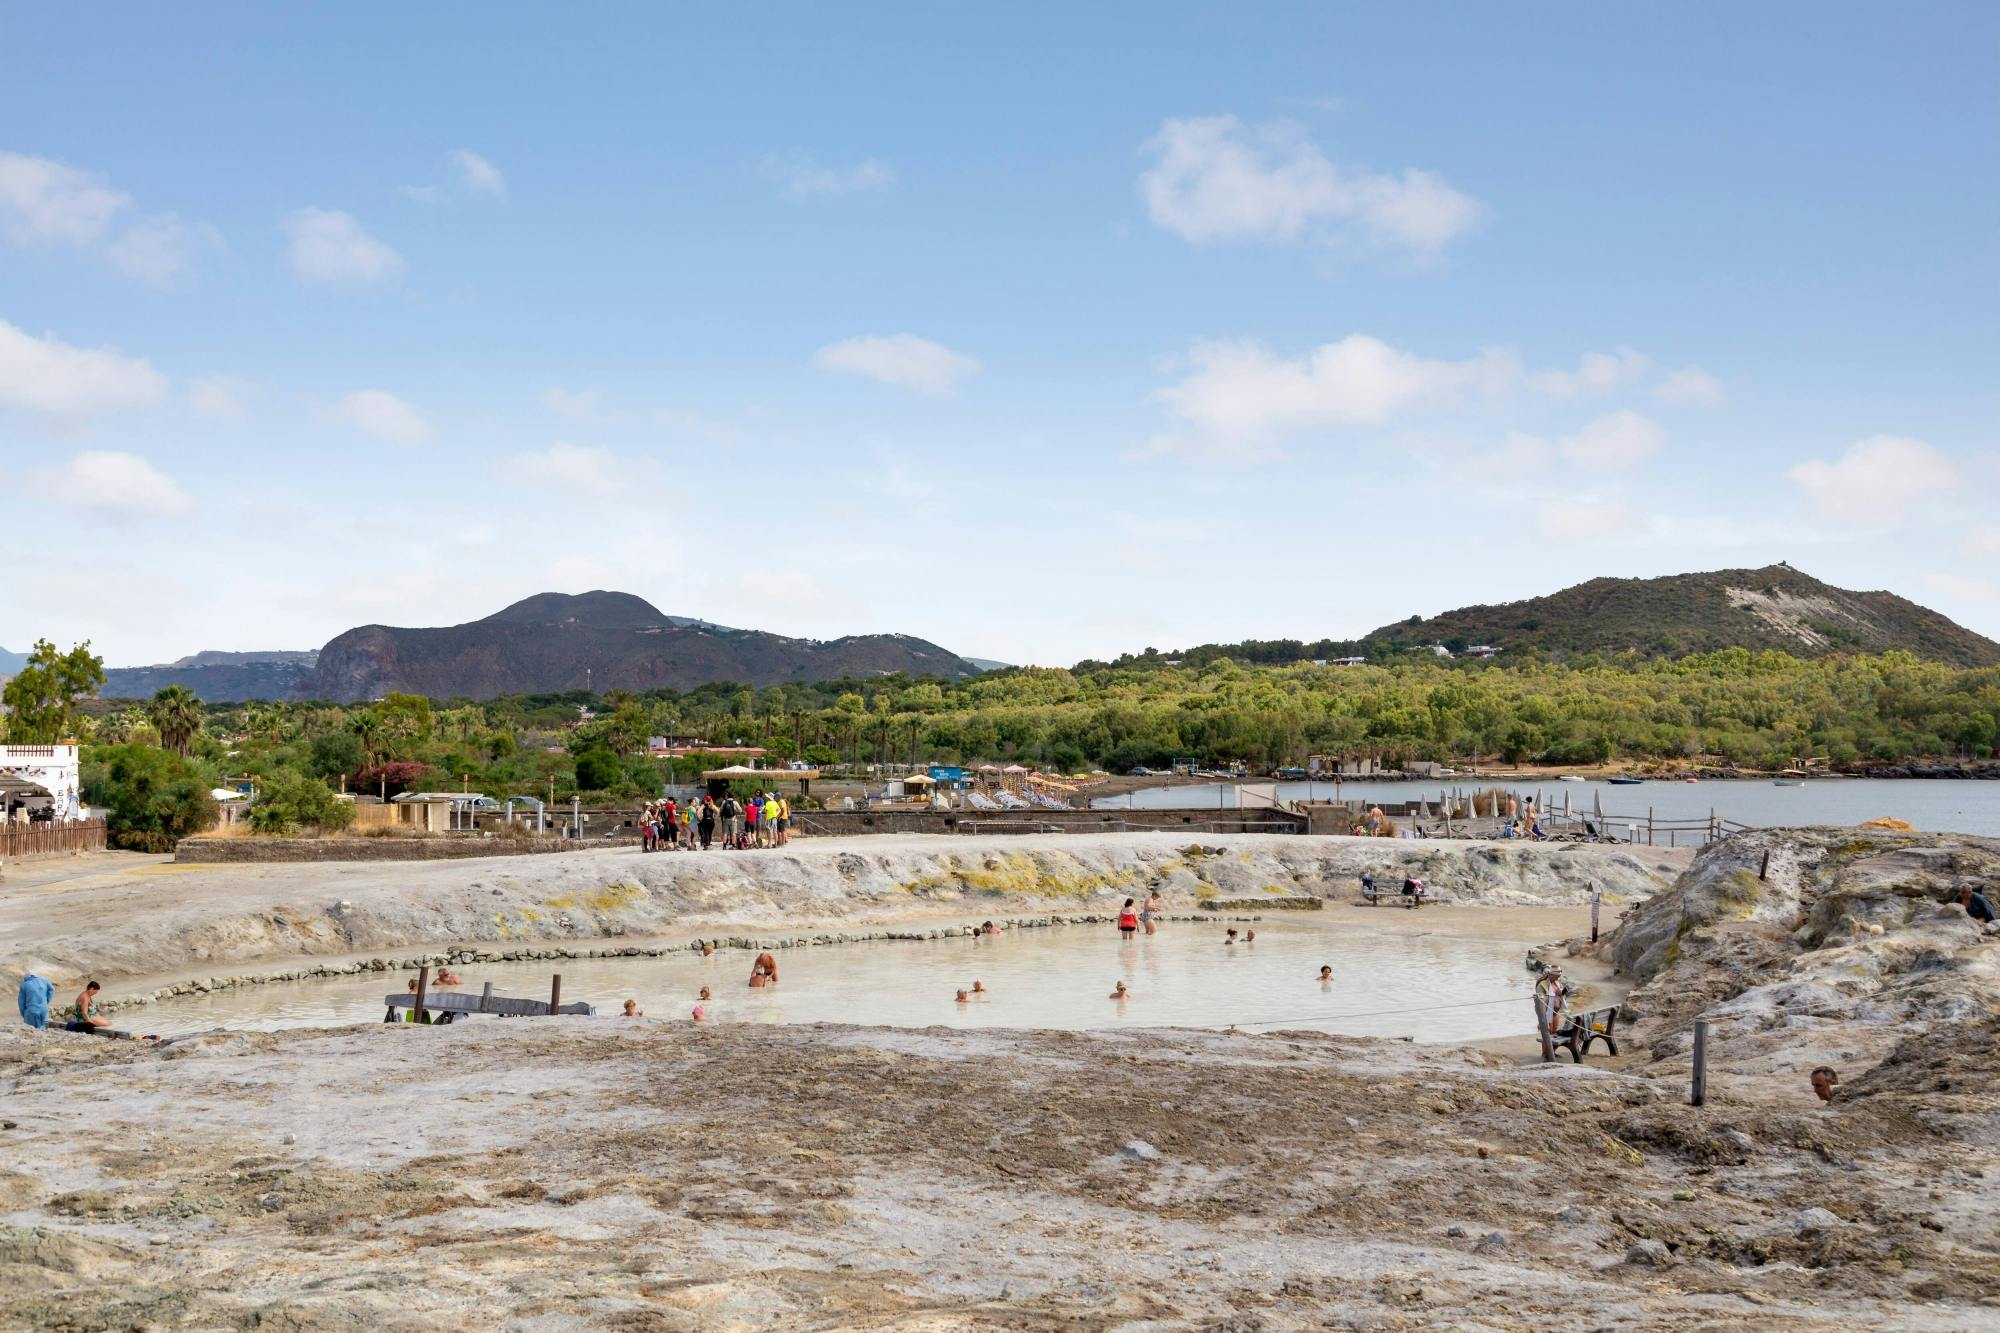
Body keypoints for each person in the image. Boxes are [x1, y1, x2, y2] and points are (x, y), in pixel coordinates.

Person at [1534, 966, 1568, 1033]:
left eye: (1558, 976)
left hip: (1555, 1012)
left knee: (1553, 1032)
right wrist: (1555, 995)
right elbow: (1540, 1000)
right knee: (1546, 1034)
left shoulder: (1557, 983)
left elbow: (1562, 997)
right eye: (1556, 976)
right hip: (1545, 1013)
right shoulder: (1542, 985)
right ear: (1550, 975)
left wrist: (1561, 993)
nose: (1557, 978)